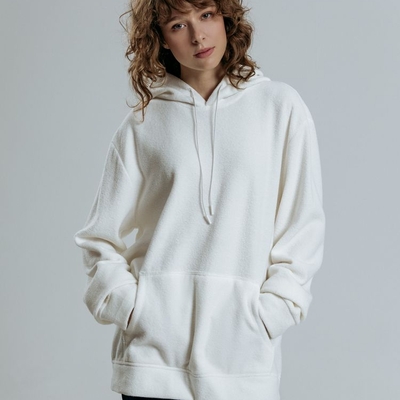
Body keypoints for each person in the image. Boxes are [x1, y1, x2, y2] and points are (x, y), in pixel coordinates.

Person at [73, 0, 326, 399]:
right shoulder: (141, 124)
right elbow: (98, 239)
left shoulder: (280, 107)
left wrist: (270, 314)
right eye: (178, 24)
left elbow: (303, 226)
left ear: (226, 17)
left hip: (243, 361)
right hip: (151, 362)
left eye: (206, 15)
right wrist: (134, 310)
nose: (198, 36)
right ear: (161, 39)